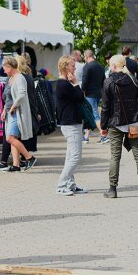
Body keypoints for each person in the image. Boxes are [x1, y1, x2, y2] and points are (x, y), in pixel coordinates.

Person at [99, 55, 138, 198]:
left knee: (115, 156)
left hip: (115, 124)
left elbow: (105, 107)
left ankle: (112, 189)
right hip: (135, 122)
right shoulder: (133, 80)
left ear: (114, 66)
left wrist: (103, 126)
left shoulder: (108, 81)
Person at [55, 55, 86, 196]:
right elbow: (80, 96)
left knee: (70, 156)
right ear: (65, 67)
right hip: (70, 123)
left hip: (71, 122)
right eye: (73, 66)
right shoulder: (64, 84)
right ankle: (62, 184)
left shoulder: (64, 83)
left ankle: (70, 184)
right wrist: (76, 83)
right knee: (75, 157)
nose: (74, 68)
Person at [1, 57, 36, 172]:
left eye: (4, 68)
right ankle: (16, 165)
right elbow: (7, 98)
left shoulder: (20, 78)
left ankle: (29, 157)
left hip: (16, 112)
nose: (3, 71)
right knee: (13, 138)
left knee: (10, 138)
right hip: (10, 112)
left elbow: (22, 94)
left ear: (9, 67)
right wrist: (5, 109)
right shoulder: (11, 78)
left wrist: (13, 107)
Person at [82, 50, 107, 144]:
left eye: (84, 57)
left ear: (87, 56)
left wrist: (82, 91)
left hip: (89, 94)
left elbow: (84, 80)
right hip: (98, 93)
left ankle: (103, 135)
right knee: (91, 114)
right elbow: (104, 80)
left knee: (94, 114)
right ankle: (86, 136)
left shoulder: (87, 66)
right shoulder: (100, 66)